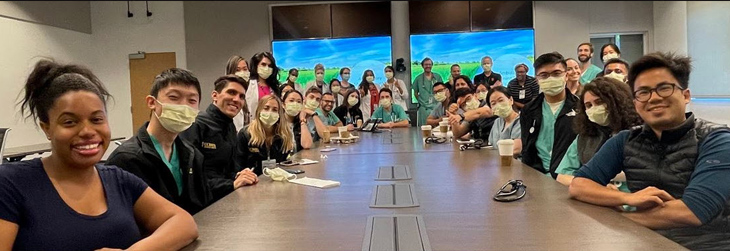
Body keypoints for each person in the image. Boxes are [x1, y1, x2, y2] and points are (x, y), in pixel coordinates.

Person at [0, 60, 197, 250]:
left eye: (96, 119)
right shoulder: (12, 183)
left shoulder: (118, 180)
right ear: (47, 128)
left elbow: (183, 223)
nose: (87, 130)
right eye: (69, 122)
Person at [569, 52, 730, 250]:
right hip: (643, 242)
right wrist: (627, 198)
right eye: (643, 92)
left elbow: (694, 211)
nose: (653, 98)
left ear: (685, 95)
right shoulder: (625, 140)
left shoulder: (717, 140)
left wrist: (621, 219)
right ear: (635, 102)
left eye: (664, 88)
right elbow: (579, 185)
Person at [106, 68, 212, 214]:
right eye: (174, 97)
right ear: (151, 102)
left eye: (192, 100)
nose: (184, 106)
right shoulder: (126, 159)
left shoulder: (193, 155)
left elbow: (204, 207)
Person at [180, 75, 258, 202]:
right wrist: (231, 184)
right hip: (202, 205)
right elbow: (191, 177)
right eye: (231, 92)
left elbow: (228, 169)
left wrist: (240, 175)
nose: (236, 99)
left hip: (226, 197)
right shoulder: (195, 125)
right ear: (215, 95)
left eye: (241, 96)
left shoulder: (230, 127)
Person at [554, 77, 642, 187]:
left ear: (616, 101)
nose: (594, 108)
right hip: (593, 199)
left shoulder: (639, 133)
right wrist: (595, 187)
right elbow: (562, 176)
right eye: (588, 105)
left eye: (599, 102)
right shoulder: (585, 137)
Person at [520, 52, 579, 178]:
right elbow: (527, 148)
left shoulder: (580, 108)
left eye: (556, 74)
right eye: (544, 75)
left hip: (570, 177)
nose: (550, 79)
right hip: (537, 176)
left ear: (566, 75)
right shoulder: (528, 110)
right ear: (537, 79)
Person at [236, 95, 296, 176]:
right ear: (259, 110)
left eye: (275, 110)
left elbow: (284, 163)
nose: (270, 112)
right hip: (251, 181)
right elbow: (238, 165)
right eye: (266, 108)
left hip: (276, 180)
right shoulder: (246, 134)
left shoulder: (284, 135)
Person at [245, 52, 281, 123]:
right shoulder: (249, 84)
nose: (266, 68)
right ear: (256, 66)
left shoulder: (275, 87)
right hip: (253, 124)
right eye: (263, 64)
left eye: (269, 66)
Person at [486, 86, 522, 155]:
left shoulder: (521, 121)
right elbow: (490, 145)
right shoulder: (497, 122)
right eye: (493, 103)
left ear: (511, 100)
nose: (498, 105)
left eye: (501, 100)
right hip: (496, 161)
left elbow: (516, 150)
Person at [412, 57, 444, 126]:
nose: (428, 66)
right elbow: (415, 93)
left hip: (436, 106)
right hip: (424, 108)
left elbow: (442, 90)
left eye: (429, 64)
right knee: (424, 129)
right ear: (422, 66)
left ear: (432, 65)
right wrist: (422, 101)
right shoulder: (418, 78)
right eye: (426, 64)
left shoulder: (437, 77)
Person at [226, 55, 250, 133]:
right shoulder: (226, 95)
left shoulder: (245, 95)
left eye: (245, 69)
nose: (242, 73)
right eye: (238, 70)